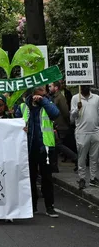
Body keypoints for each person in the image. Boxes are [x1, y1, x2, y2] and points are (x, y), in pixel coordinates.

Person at [16, 86, 60, 217]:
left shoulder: (47, 104)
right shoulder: (23, 106)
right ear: (34, 92)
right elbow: (16, 122)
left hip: (45, 148)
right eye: (40, 91)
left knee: (47, 178)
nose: (43, 94)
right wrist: (21, 127)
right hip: (29, 149)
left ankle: (49, 207)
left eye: (44, 92)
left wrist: (43, 101)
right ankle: (32, 206)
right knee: (31, 178)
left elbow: (55, 113)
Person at [70, 85, 99, 189]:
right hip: (82, 132)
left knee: (94, 157)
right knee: (82, 157)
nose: (85, 88)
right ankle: (82, 178)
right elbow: (72, 117)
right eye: (83, 87)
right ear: (80, 88)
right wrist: (77, 109)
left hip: (95, 131)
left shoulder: (96, 98)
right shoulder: (75, 98)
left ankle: (93, 178)